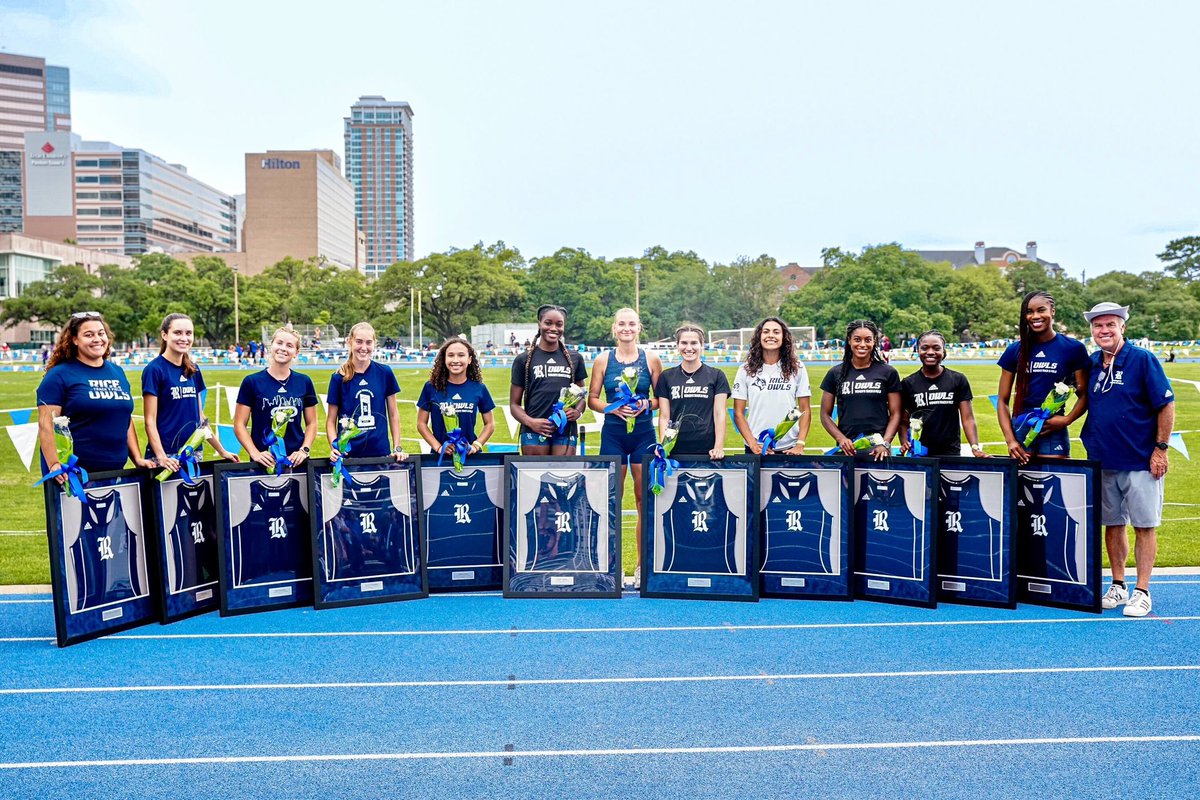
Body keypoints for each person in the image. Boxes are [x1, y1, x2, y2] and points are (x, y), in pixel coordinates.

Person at [1081, 303, 1175, 618]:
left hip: (1140, 460)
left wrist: (1160, 448)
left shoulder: (1142, 360)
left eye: (1110, 325)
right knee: (1113, 524)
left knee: (1144, 525)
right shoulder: (1092, 363)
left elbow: (1165, 404)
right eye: (1098, 326)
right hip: (1104, 459)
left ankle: (1143, 590)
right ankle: (1118, 584)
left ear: (1123, 326)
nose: (1104, 331)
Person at [588, 309, 662, 587]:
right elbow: (592, 398)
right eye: (622, 323)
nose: (627, 328)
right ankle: (612, 565)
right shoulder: (602, 360)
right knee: (610, 502)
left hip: (644, 434)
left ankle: (643, 567)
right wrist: (612, 409)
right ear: (614, 328)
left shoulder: (651, 358)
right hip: (613, 436)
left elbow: (661, 398)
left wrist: (646, 404)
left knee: (644, 501)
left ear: (639, 327)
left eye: (631, 323)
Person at [36, 311, 156, 477]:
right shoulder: (59, 375)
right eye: (88, 334)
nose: (97, 339)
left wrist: (137, 458)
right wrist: (54, 463)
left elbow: (124, 419)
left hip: (114, 472)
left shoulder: (117, 372)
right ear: (74, 340)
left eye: (101, 333)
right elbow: (46, 423)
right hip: (72, 474)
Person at [996, 291, 1089, 464]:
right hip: (1022, 426)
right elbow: (1002, 400)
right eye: (1029, 312)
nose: (1035, 316)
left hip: (1052, 428)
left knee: (1055, 482)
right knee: (1021, 487)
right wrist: (1010, 440)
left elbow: (1084, 395)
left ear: (1052, 311)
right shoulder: (1014, 350)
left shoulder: (1073, 348)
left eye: (1041, 310)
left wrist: (1067, 420)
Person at [142, 313, 239, 471]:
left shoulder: (193, 369)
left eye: (189, 333)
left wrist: (221, 450)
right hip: (166, 456)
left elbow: (200, 418)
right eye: (178, 333)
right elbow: (149, 421)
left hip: (193, 453)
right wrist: (161, 457)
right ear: (164, 335)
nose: (184, 338)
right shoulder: (154, 370)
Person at [234, 327, 317, 471]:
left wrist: (304, 450)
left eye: (289, 345)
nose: (283, 348)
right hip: (263, 462)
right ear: (271, 346)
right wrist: (255, 453)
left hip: (296, 462)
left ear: (296, 353)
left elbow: (312, 423)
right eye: (279, 343)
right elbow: (239, 424)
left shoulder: (304, 382)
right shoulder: (251, 382)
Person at [510, 305, 588, 455]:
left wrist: (577, 412)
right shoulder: (523, 359)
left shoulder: (575, 358)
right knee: (534, 477)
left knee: (563, 476)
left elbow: (581, 396)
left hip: (566, 429)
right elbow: (514, 404)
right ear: (539, 324)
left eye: (559, 324)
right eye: (548, 323)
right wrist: (531, 422)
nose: (553, 328)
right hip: (533, 430)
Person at [819, 320, 901, 461]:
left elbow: (896, 413)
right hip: (848, 449)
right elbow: (824, 414)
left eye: (868, 340)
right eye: (857, 339)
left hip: (878, 451)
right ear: (849, 341)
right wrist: (841, 439)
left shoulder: (888, 372)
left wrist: (885, 443)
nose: (862, 344)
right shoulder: (836, 373)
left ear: (874, 341)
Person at [899, 330, 988, 458]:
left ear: (943, 351)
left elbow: (968, 419)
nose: (930, 352)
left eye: (936, 348)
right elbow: (903, 422)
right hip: (919, 453)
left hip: (950, 453)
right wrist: (905, 443)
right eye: (924, 348)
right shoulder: (908, 383)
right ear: (918, 351)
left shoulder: (958, 380)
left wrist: (975, 447)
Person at [325, 322, 405, 461]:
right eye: (359, 342)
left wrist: (397, 447)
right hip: (349, 455)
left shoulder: (385, 372)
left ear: (374, 344)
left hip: (380, 453)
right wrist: (335, 447)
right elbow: (331, 421)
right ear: (350, 342)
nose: (364, 347)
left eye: (368, 343)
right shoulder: (339, 377)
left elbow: (393, 414)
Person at [731, 317, 811, 455]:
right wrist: (753, 444)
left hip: (789, 447)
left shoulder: (797, 367)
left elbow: (805, 409)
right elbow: (738, 412)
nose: (771, 335)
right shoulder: (745, 369)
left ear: (783, 337)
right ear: (759, 336)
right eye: (766, 331)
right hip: (755, 447)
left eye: (776, 332)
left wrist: (800, 444)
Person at [656, 323, 730, 459]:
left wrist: (718, 447)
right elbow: (664, 416)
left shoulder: (717, 375)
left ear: (701, 345)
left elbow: (720, 413)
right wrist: (663, 445)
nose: (689, 348)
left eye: (694, 343)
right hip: (675, 449)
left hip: (707, 450)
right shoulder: (666, 377)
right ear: (677, 345)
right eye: (684, 343)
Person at [417, 337, 496, 456]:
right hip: (439, 456)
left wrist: (476, 445)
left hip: (469, 456)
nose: (455, 360)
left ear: (469, 359)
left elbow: (490, 424)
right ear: (444, 359)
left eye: (461, 355)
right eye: (450, 355)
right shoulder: (431, 387)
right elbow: (421, 424)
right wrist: (438, 447)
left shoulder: (479, 388)